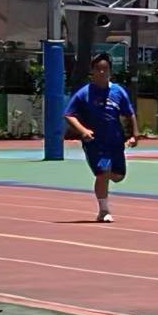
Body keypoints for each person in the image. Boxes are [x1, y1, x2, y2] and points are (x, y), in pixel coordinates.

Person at [63, 52, 139, 223]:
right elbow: (68, 114)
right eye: (98, 69)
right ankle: (103, 210)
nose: (102, 72)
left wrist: (135, 134)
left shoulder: (118, 91)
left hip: (115, 141)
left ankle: (104, 176)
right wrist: (83, 130)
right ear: (93, 72)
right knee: (102, 173)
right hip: (95, 142)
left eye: (105, 69)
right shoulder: (84, 93)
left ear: (110, 71)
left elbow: (129, 113)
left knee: (119, 176)